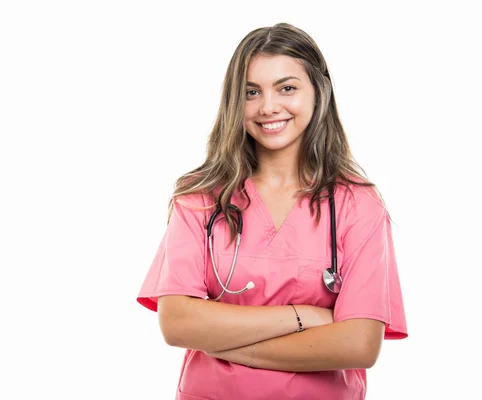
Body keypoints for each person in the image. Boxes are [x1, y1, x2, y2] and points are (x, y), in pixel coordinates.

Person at [136, 22, 408, 400]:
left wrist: (232, 348)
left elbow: (359, 344)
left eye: (287, 88)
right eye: (251, 92)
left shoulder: (357, 205)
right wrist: (303, 317)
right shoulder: (199, 199)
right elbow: (178, 323)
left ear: (319, 92)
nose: (268, 107)